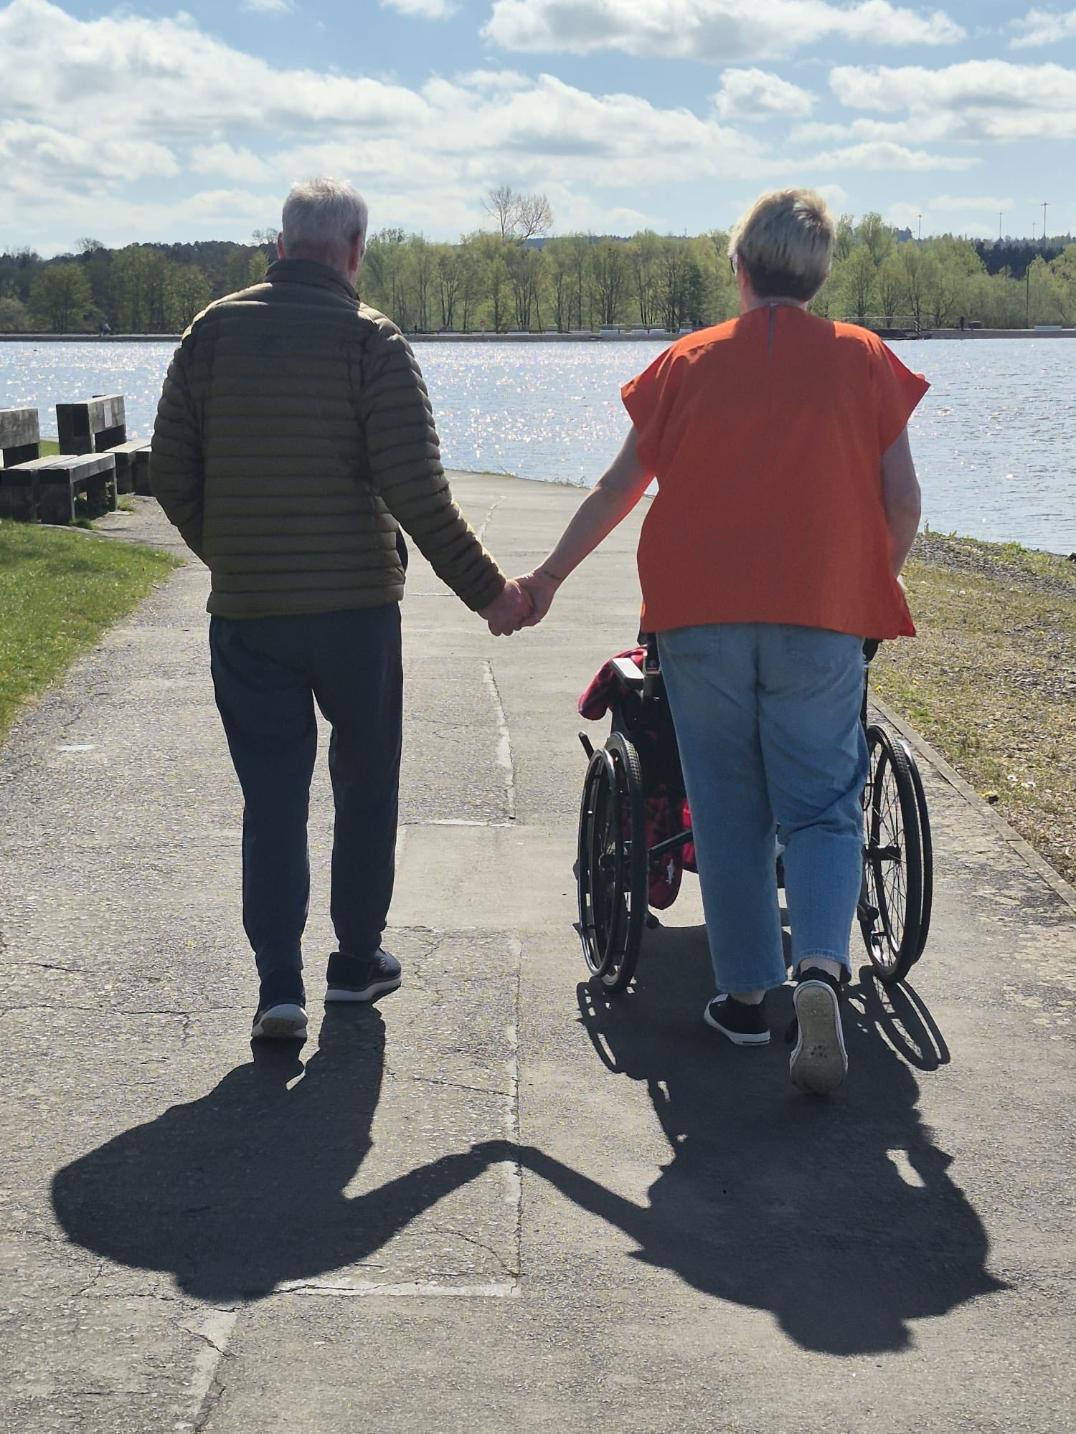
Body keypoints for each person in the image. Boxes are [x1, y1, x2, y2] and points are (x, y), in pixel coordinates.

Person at [517, 188, 926, 1094]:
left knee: (729, 807)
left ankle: (746, 1000)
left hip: (698, 617)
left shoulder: (687, 362)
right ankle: (819, 968)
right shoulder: (863, 359)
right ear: (819, 273)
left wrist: (546, 579)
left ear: (739, 268)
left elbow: (619, 488)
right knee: (822, 806)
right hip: (820, 616)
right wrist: (871, 584)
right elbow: (903, 504)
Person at [151, 177, 530, 1042]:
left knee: (272, 796)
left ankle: (278, 988)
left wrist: (234, 554)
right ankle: (356, 963)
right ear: (356, 251)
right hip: (356, 612)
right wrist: (491, 594)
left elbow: (169, 471)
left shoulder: (211, 332)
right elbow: (417, 491)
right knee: (365, 785)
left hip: (249, 616)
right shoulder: (372, 340)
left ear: (280, 245)